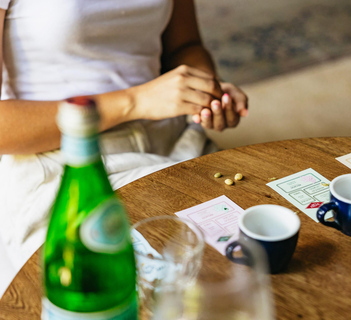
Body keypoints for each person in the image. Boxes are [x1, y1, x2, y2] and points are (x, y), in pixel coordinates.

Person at [0, 0, 248, 296]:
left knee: (254, 257)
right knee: (144, 294)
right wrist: (137, 100)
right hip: (63, 160)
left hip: (174, 138)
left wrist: (206, 90)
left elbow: (185, 46)